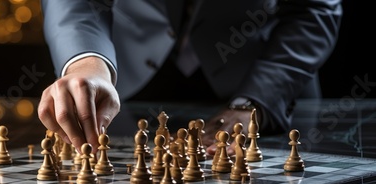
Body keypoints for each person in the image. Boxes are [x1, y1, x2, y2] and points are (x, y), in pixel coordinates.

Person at [37, 0, 343, 155]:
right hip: (125, 82)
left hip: (268, 84)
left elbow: (314, 8)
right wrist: (87, 62)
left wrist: (254, 102)